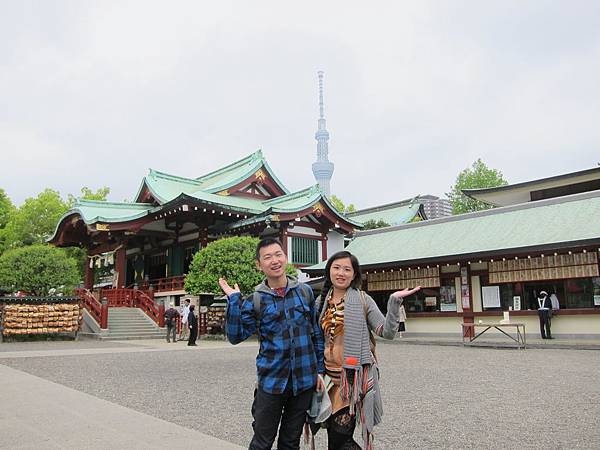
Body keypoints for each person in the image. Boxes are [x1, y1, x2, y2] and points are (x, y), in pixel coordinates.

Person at [218, 237, 325, 450]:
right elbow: (235, 336)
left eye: (278, 254)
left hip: (303, 381)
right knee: (262, 443)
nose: (274, 260)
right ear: (259, 265)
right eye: (267, 257)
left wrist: (320, 370)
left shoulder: (304, 292)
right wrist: (234, 301)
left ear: (285, 257)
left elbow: (316, 335)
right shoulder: (255, 300)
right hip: (272, 382)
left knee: (290, 442)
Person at [316, 251, 420, 450]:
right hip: (327, 381)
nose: (341, 273)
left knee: (341, 438)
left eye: (347, 269)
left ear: (354, 274)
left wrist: (394, 302)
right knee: (333, 437)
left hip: (353, 381)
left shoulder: (364, 300)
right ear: (329, 270)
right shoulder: (321, 303)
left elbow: (386, 332)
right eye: (336, 268)